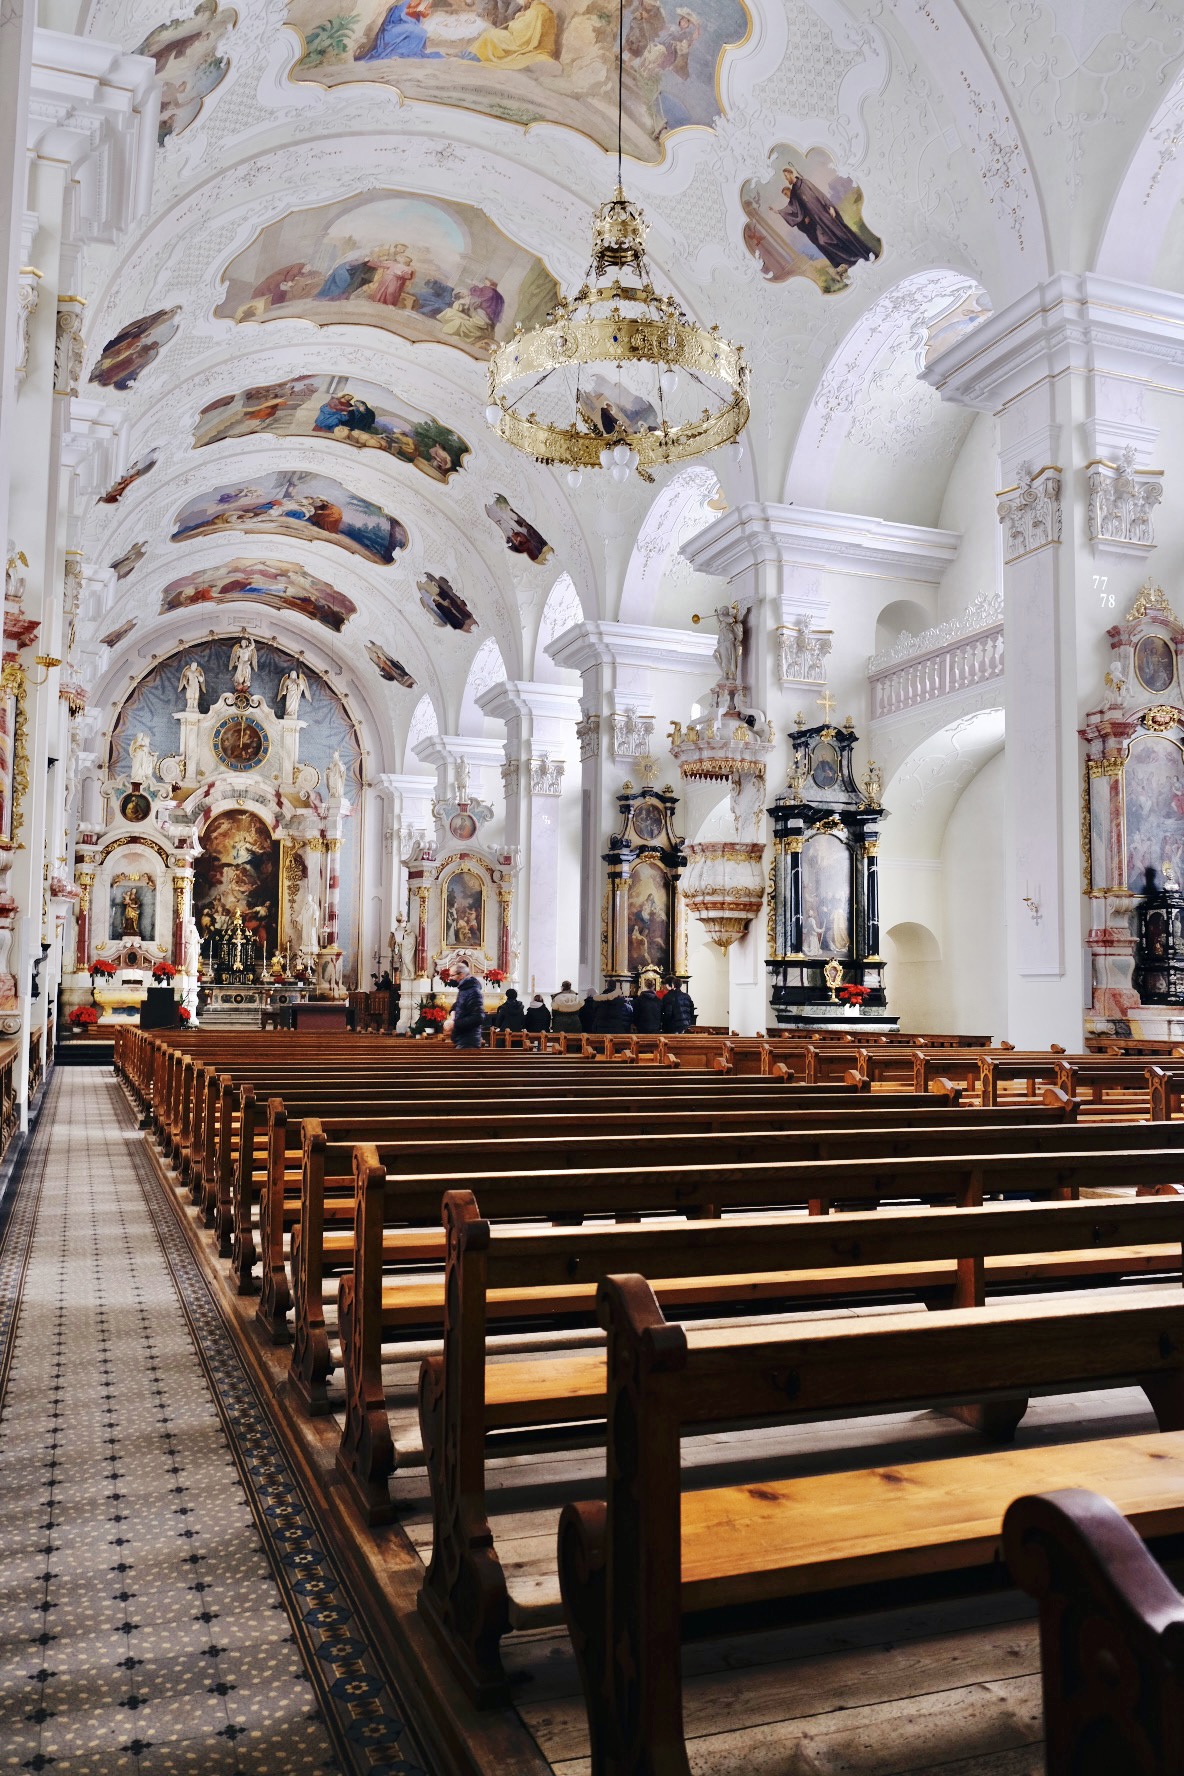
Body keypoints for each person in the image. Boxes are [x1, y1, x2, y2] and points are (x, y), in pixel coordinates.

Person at [446, 959, 484, 1049]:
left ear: (461, 975)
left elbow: (479, 1018)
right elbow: (460, 1004)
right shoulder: (465, 989)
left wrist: (455, 1024)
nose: (450, 978)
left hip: (469, 1041)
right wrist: (453, 1010)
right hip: (462, 1039)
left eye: (452, 975)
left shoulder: (473, 991)